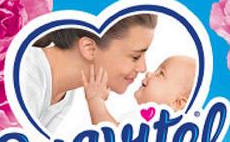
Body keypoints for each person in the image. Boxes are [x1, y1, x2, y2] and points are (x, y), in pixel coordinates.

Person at [18, 14, 157, 134]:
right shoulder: (25, 76)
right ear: (89, 48)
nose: (143, 68)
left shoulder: (65, 94)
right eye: (135, 57)